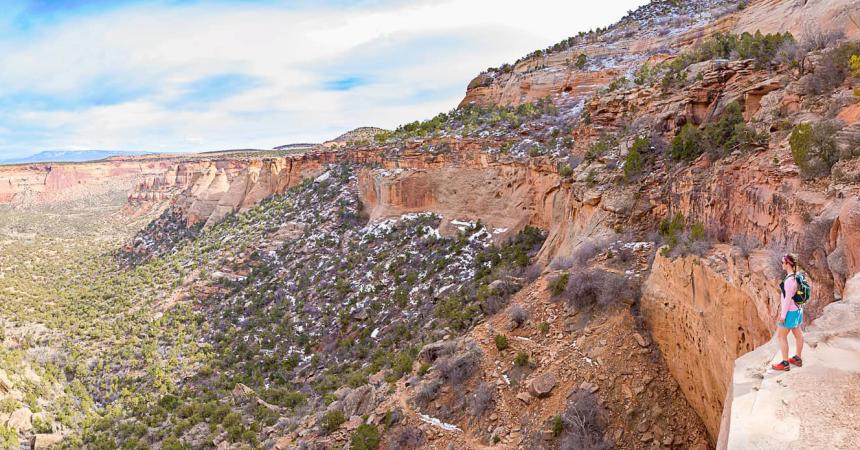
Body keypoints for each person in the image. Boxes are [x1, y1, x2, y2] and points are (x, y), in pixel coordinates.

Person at [772, 253, 804, 371]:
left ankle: (785, 363)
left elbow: (787, 299)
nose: (782, 264)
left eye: (783, 262)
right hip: (797, 310)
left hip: (790, 312)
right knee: (798, 335)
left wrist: (783, 316)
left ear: (788, 263)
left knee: (781, 336)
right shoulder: (798, 276)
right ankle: (798, 358)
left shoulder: (790, 280)